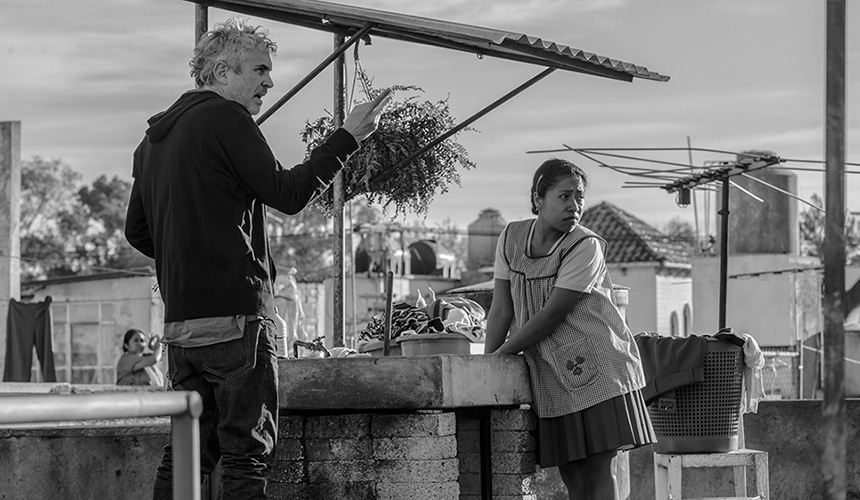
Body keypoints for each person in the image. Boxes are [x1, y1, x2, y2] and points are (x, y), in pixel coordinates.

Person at [124, 17, 391, 500]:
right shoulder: (227, 119)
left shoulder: (151, 142)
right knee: (248, 455)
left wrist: (191, 259)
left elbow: (137, 232)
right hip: (237, 322)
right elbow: (287, 193)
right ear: (222, 72)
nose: (269, 82)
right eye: (260, 70)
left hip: (182, 330)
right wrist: (348, 136)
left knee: (186, 454)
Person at [483, 158, 656, 500]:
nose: (574, 206)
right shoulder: (511, 238)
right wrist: (487, 364)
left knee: (596, 469)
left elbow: (551, 315)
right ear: (538, 198)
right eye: (564, 196)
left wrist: (503, 353)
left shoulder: (585, 246)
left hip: (599, 368)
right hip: (551, 374)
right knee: (572, 474)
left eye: (579, 197)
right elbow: (502, 308)